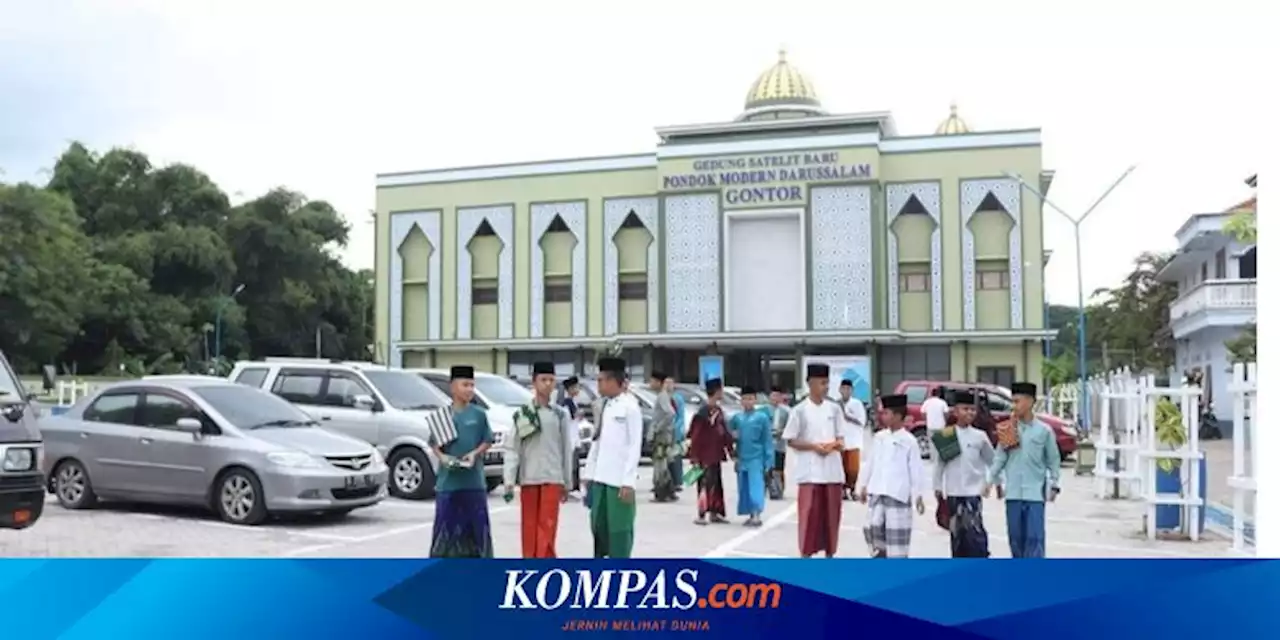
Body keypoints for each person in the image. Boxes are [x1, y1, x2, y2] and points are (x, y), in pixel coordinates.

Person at [503, 362, 576, 558]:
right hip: (529, 478)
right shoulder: (523, 414)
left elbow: (565, 449)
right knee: (529, 526)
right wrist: (509, 480)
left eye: (551, 380)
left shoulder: (560, 414)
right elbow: (512, 448)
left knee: (548, 526)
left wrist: (567, 482)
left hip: (553, 478)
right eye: (543, 380)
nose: (547, 384)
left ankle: (545, 567)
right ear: (534, 383)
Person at [985, 382, 1061, 558]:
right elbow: (1000, 458)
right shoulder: (1008, 428)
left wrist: (1055, 484)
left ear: (1030, 402)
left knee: (1035, 541)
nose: (1014, 406)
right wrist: (989, 480)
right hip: (1013, 496)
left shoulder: (1044, 431)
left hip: (1034, 495)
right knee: (1016, 541)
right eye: (1012, 401)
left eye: (1017, 401)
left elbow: (1053, 460)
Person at [428, 365, 496, 558]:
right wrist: (443, 458)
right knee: (444, 535)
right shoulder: (443, 416)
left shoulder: (479, 414)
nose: (469, 389)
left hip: (474, 483)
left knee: (478, 534)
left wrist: (475, 453)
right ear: (453, 387)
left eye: (472, 385)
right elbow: (434, 445)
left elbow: (487, 440)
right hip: (448, 484)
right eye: (465, 385)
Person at [782, 364, 846, 557]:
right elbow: (791, 440)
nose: (826, 387)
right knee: (809, 516)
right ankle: (806, 555)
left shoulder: (834, 409)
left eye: (827, 383)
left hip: (832, 472)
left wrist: (832, 445)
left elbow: (842, 440)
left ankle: (829, 555)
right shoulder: (799, 410)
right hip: (809, 473)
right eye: (822, 383)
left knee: (831, 517)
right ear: (810, 383)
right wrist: (813, 447)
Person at [584, 358, 644, 558]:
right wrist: (589, 473)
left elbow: (634, 447)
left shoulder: (631, 408)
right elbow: (597, 441)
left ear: (613, 381)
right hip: (601, 478)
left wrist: (628, 481)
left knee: (620, 531)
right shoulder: (604, 406)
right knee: (598, 526)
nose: (598, 384)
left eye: (601, 380)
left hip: (619, 482)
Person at [857, 394, 928, 559]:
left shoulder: (909, 440)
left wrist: (918, 496)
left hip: (898, 495)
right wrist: (863, 485)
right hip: (878, 492)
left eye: (886, 413)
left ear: (897, 416)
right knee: (871, 527)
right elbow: (870, 463)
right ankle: (880, 557)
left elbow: (916, 470)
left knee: (896, 540)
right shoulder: (879, 437)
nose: (882, 416)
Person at [931, 390, 994, 558]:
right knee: (958, 537)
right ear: (956, 411)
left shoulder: (980, 436)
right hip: (953, 493)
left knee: (975, 535)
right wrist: (937, 487)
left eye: (972, 410)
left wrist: (991, 482)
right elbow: (940, 465)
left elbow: (992, 461)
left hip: (973, 494)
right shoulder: (947, 435)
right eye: (965, 409)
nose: (970, 413)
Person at [687, 378, 733, 525]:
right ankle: (701, 515)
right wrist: (694, 456)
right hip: (703, 455)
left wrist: (730, 450)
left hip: (716, 454)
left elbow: (724, 432)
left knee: (716, 484)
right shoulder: (702, 413)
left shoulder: (718, 411)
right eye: (721, 390)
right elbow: (695, 435)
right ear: (717, 391)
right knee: (703, 485)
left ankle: (715, 512)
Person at [729, 387, 774, 526]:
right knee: (744, 487)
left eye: (750, 399)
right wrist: (734, 454)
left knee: (756, 486)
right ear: (741, 401)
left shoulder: (762, 418)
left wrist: (769, 461)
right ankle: (749, 513)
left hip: (757, 457)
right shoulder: (737, 418)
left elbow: (767, 439)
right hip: (742, 457)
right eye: (745, 399)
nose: (748, 402)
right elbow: (730, 435)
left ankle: (756, 514)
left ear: (755, 400)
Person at [647, 371, 680, 503]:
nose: (650, 384)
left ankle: (662, 493)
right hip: (663, 435)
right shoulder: (663, 396)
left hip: (661, 436)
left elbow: (670, 414)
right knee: (663, 463)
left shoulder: (662, 396)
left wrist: (657, 428)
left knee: (660, 464)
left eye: (652, 381)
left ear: (658, 382)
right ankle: (669, 492)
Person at [837, 379, 867, 500]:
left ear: (852, 391)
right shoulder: (836, 404)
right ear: (839, 390)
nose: (845, 391)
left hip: (854, 440)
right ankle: (843, 490)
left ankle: (852, 489)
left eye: (848, 389)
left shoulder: (857, 404)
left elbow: (862, 421)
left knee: (853, 469)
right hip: (840, 441)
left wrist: (847, 416)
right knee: (841, 467)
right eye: (843, 389)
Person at [557, 376, 584, 500]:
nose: (578, 390)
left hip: (575, 437)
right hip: (570, 438)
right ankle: (571, 487)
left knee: (576, 464)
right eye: (576, 387)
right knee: (571, 464)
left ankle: (575, 487)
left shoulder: (573, 401)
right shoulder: (567, 402)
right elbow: (573, 417)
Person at [766, 386, 791, 499]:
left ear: (781, 397)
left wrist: (782, 432)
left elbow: (790, 427)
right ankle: (770, 489)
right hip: (767, 443)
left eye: (777, 396)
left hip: (780, 444)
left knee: (779, 468)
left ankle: (780, 489)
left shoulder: (786, 411)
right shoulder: (764, 411)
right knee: (768, 468)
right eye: (773, 396)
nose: (775, 398)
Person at [667, 377, 687, 494]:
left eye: (670, 383)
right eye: (666, 383)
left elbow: (680, 416)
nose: (668, 386)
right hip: (666, 432)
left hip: (676, 432)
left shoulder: (678, 399)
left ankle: (678, 481)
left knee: (676, 458)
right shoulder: (663, 398)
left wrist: (677, 429)